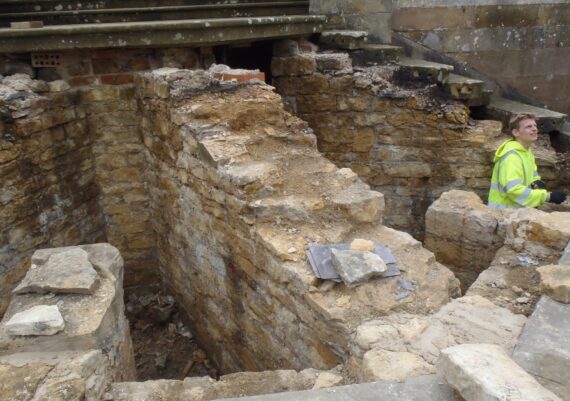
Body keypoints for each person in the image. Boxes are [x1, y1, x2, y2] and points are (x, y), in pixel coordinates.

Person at [488, 113, 567, 209]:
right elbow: (513, 190)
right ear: (516, 132)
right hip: (503, 214)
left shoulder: (526, 152)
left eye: (535, 126)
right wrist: (547, 196)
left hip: (516, 212)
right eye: (529, 127)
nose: (534, 129)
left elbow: (532, 175)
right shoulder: (511, 157)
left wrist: (536, 181)